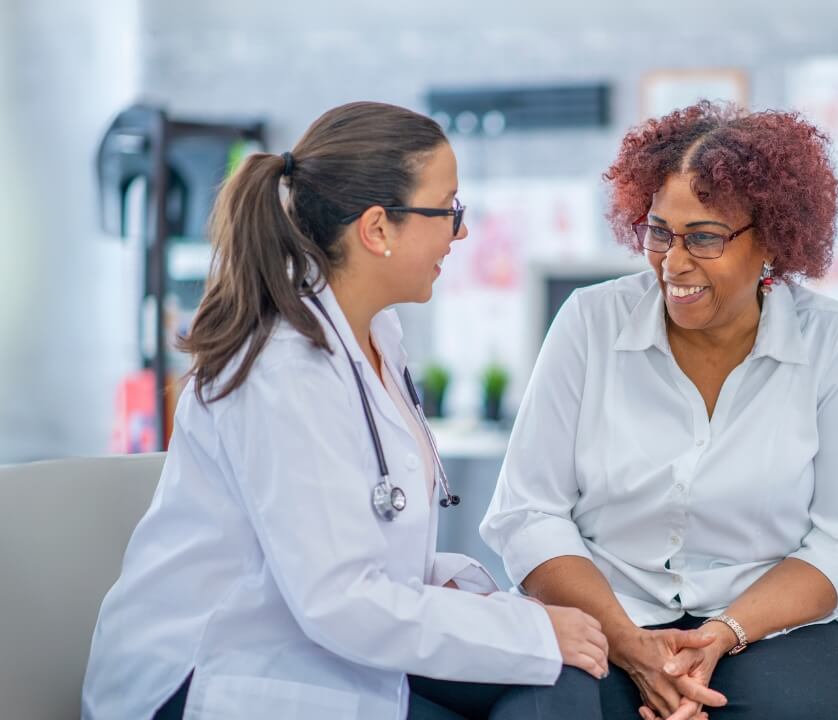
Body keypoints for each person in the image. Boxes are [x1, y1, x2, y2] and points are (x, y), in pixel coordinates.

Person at [82, 101, 607, 720]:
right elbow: (339, 599)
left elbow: (358, 551)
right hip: (214, 674)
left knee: (562, 683)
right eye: (448, 210)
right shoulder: (282, 368)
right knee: (547, 671)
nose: (460, 232)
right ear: (378, 228)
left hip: (323, 639)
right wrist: (529, 632)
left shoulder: (377, 335)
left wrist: (492, 608)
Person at [480, 100, 838, 720]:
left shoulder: (834, 342)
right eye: (659, 232)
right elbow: (528, 513)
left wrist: (723, 632)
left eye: (704, 237)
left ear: (773, 242)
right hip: (606, 610)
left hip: (772, 626)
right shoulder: (590, 323)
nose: (673, 263)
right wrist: (630, 644)